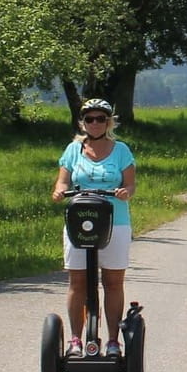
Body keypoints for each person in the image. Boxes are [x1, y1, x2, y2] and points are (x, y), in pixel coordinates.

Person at [51, 98, 136, 358]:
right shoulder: (73, 150)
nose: (95, 123)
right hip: (79, 221)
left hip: (114, 222)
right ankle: (76, 340)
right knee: (77, 282)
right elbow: (62, 182)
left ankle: (112, 341)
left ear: (109, 122)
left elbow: (131, 185)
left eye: (101, 119)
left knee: (112, 282)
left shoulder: (121, 150)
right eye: (90, 119)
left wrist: (124, 192)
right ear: (83, 122)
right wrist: (59, 191)